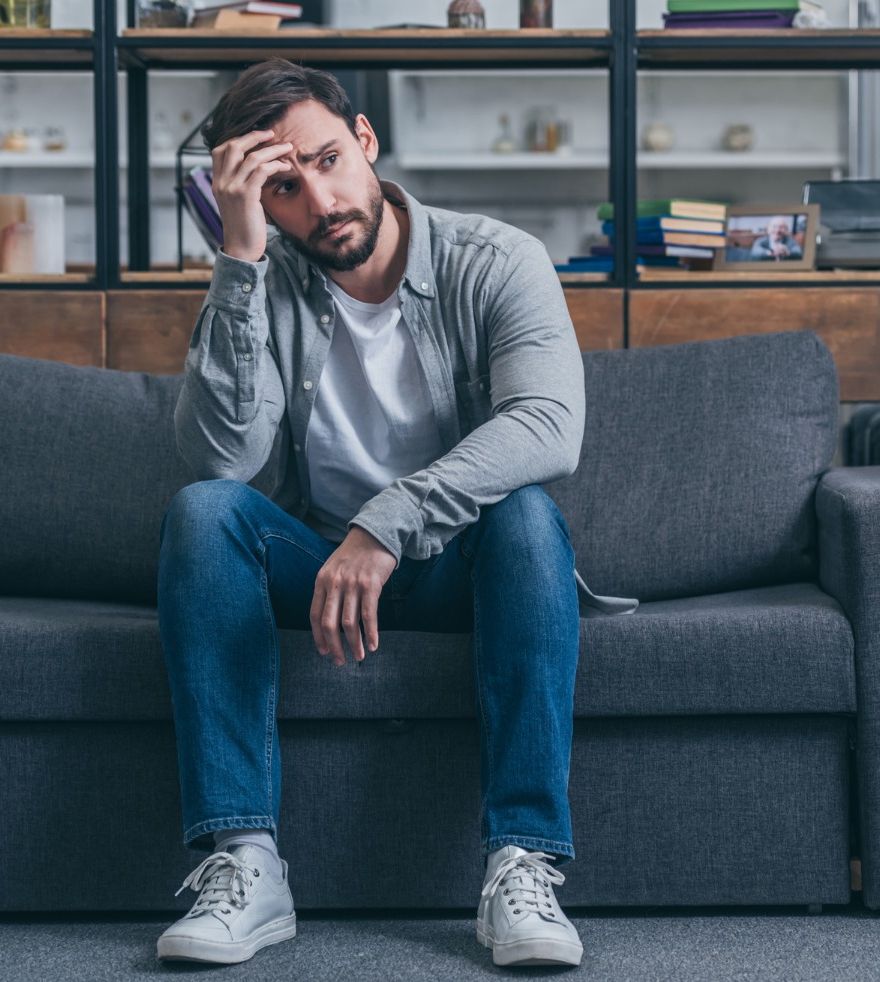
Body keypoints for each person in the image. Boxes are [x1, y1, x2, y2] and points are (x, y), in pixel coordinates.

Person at [155, 57, 637, 969]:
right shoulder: (260, 278)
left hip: (460, 568)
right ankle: (246, 863)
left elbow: (547, 426)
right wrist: (239, 257)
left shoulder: (495, 259)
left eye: (331, 160)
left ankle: (521, 864)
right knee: (202, 511)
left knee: (527, 516)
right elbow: (224, 457)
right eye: (284, 188)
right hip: (320, 575)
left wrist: (387, 523)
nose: (322, 200)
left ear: (367, 139)